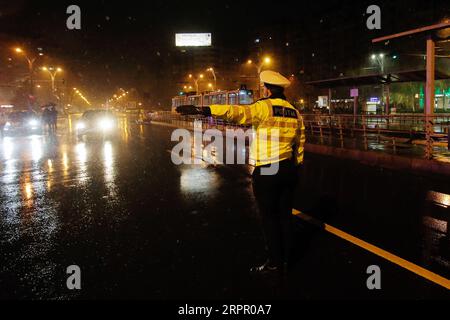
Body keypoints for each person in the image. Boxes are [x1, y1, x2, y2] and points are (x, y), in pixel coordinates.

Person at [177, 70, 306, 276]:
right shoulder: (295, 112)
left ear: (266, 88)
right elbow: (300, 144)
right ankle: (287, 261)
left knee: (270, 219)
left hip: (268, 171)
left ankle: (275, 263)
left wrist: (205, 109)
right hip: (289, 171)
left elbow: (235, 112)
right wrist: (297, 166)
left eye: (263, 87)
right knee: (285, 217)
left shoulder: (263, 107)